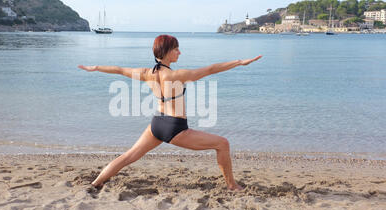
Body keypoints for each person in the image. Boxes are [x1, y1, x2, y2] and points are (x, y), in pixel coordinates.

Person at [78, 35, 262, 191]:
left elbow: (119, 70)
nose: (179, 52)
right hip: (175, 128)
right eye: (176, 49)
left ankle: (96, 183)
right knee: (222, 144)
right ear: (166, 52)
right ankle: (232, 186)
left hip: (157, 124)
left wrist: (95, 68)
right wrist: (239, 62)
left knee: (129, 156)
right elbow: (211, 69)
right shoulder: (176, 75)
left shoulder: (146, 73)